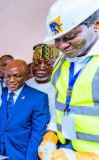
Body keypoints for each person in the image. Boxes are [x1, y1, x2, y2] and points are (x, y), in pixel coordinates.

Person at [39, 0, 99, 159]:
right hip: (67, 145)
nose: (61, 46)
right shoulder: (63, 61)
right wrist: (51, 133)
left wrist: (88, 157)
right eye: (57, 39)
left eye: (70, 36)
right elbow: (63, 103)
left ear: (97, 24)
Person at [0, 60, 50, 160]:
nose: (11, 80)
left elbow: (37, 134)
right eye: (7, 76)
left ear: (26, 76)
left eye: (17, 76)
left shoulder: (38, 97)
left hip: (21, 154)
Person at [27, 44, 59, 135]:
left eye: (48, 63)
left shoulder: (60, 86)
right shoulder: (25, 85)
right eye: (36, 63)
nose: (41, 67)